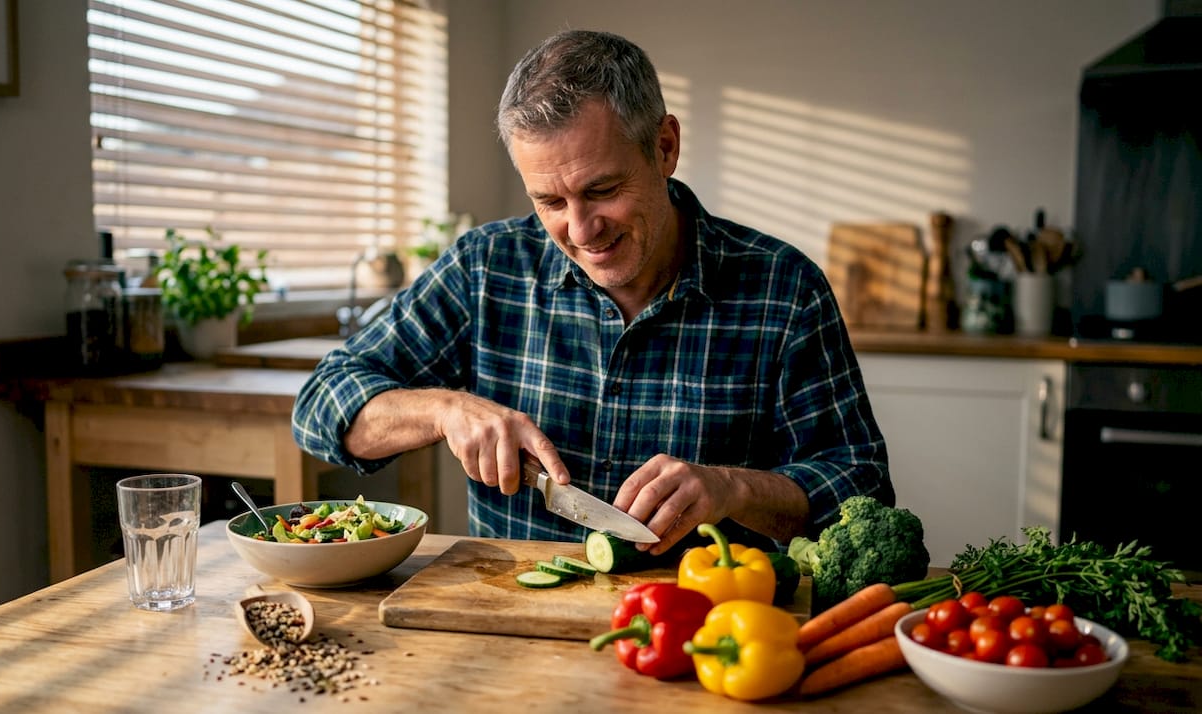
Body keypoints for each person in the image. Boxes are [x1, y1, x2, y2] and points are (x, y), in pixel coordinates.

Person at [292, 29, 891, 555]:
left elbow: (861, 488)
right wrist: (444, 411)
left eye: (602, 190)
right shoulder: (485, 267)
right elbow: (320, 406)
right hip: (508, 623)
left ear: (665, 148)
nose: (580, 231)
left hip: (707, 629)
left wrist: (732, 488)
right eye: (550, 201)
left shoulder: (783, 289)